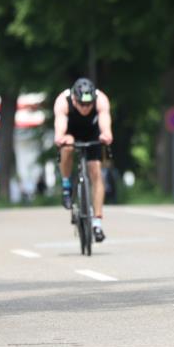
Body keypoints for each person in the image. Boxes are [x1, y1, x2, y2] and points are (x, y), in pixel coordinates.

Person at [53, 77, 114, 242]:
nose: (86, 108)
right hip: (71, 131)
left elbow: (105, 121)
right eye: (81, 104)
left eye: (89, 104)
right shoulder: (63, 101)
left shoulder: (101, 99)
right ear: (74, 99)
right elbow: (60, 125)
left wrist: (106, 134)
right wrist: (60, 136)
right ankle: (66, 185)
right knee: (67, 146)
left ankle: (97, 223)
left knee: (96, 171)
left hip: (92, 132)